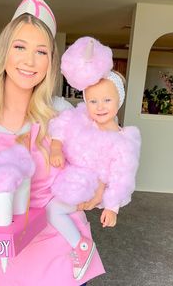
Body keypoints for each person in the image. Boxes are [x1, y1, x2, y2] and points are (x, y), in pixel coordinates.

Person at [0, 0, 103, 286]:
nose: (29, 61)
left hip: (62, 249)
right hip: (7, 256)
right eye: (20, 46)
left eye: (42, 51)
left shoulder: (63, 113)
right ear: (3, 52)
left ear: (51, 61)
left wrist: (97, 190)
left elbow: (90, 173)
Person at [47, 37, 141, 280]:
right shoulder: (82, 119)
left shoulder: (122, 141)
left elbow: (122, 176)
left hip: (89, 187)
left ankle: (81, 246)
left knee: (54, 211)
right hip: (75, 177)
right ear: (86, 102)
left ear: (118, 101)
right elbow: (60, 126)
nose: (100, 107)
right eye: (93, 101)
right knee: (54, 207)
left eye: (107, 100)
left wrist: (112, 207)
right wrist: (56, 148)